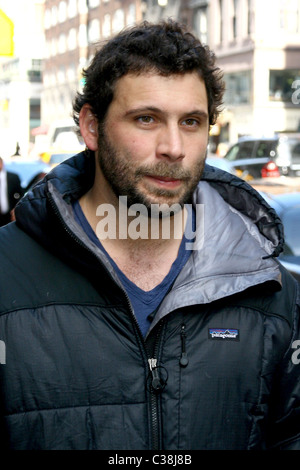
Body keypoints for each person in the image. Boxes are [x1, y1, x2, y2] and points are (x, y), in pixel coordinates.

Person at [0, 20, 299, 451]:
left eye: (192, 122)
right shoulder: (8, 272)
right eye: (146, 119)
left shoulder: (268, 287)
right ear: (91, 128)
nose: (174, 147)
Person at [0, 157, 23, 226]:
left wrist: (16, 209)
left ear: (2, 164)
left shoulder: (13, 177)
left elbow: (20, 194)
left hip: (10, 215)